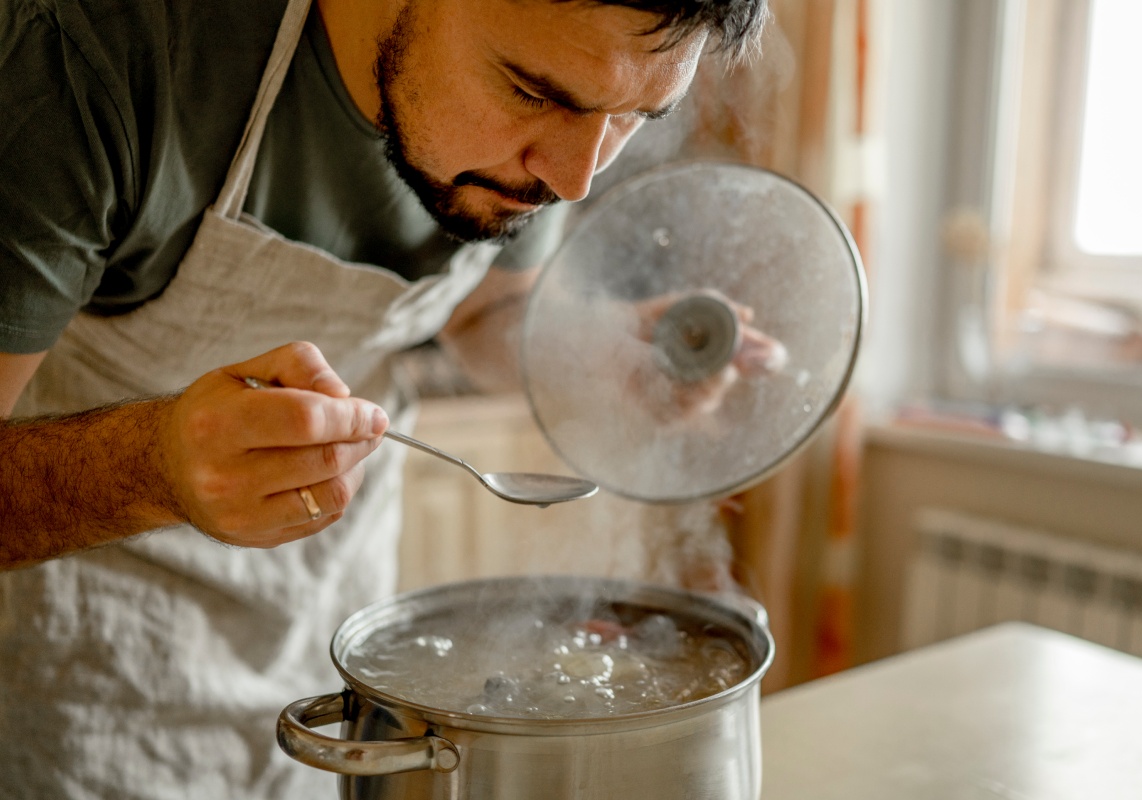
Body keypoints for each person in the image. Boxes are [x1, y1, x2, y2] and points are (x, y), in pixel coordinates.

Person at [0, 0, 767, 796]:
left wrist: (602, 352)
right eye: (533, 94)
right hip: (69, 687)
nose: (574, 179)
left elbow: (481, 308)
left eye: (636, 117)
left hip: (331, 658)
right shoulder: (92, 58)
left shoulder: (539, 143)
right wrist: (151, 465)